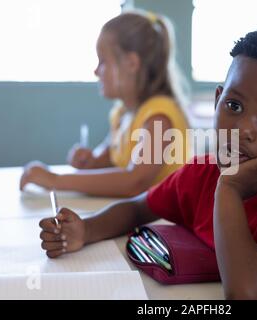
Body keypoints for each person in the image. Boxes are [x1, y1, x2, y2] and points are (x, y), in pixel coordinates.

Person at [38, 25, 257, 299]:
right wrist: (86, 230)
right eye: (234, 105)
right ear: (217, 100)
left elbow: (249, 293)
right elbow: (138, 207)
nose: (243, 130)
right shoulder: (201, 172)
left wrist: (228, 190)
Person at [20, 11, 190, 197]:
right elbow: (110, 158)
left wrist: (55, 180)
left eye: (103, 62)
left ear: (132, 64)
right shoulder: (123, 113)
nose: (96, 71)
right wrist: (90, 161)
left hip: (164, 223)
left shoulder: (159, 116)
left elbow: (135, 181)